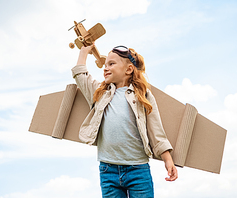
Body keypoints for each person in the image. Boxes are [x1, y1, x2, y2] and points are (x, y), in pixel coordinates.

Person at [71, 44, 178, 198]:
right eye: (105, 64)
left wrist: (167, 160)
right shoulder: (100, 93)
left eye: (111, 64)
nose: (105, 68)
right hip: (108, 170)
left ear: (128, 69)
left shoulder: (143, 95)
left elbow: (156, 131)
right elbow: (81, 76)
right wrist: (83, 52)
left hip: (138, 170)